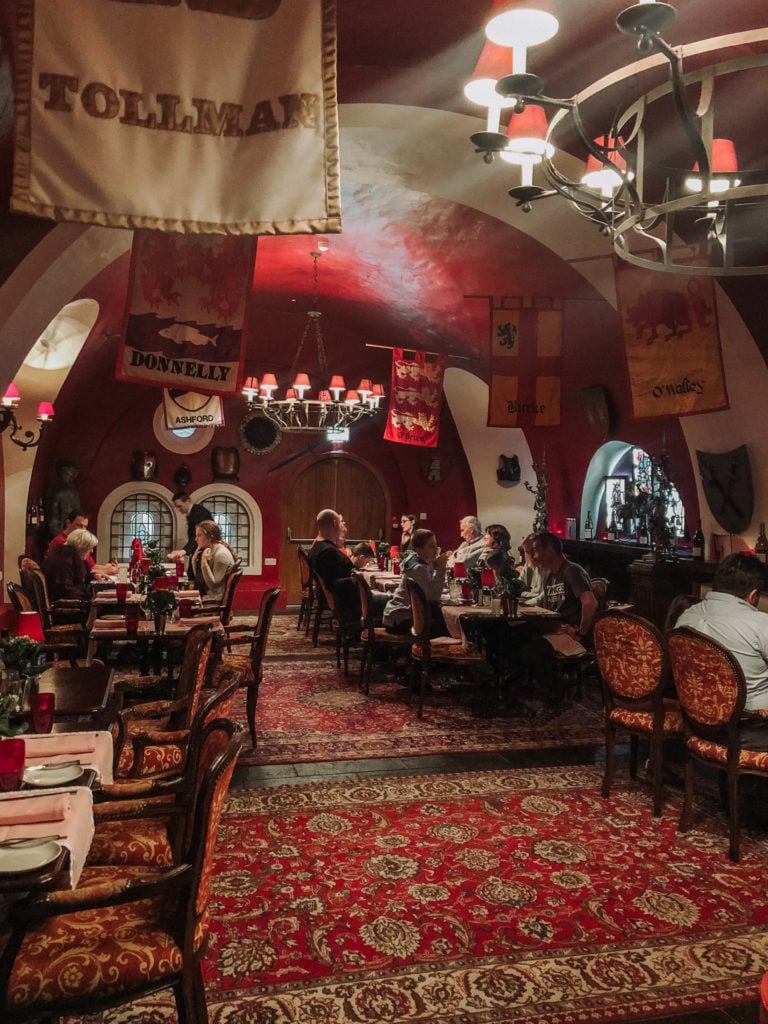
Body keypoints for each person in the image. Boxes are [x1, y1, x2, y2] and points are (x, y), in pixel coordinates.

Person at [676, 553, 768, 745]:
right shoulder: (760, 624)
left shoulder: (686, 616)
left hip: (697, 722)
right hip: (750, 729)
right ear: (752, 595)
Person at [383, 528, 449, 636]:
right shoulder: (418, 568)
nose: (436, 550)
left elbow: (428, 586)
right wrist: (441, 569)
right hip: (399, 619)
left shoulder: (415, 559)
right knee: (447, 626)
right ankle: (429, 651)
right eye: (431, 546)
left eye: (436, 546)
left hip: (395, 614)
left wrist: (433, 565)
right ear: (419, 550)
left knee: (440, 617)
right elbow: (433, 597)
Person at [308, 508, 360, 638]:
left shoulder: (316, 548)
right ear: (334, 524)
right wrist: (355, 579)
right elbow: (332, 583)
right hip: (349, 602)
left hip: (343, 598)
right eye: (340, 523)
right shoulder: (328, 551)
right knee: (390, 603)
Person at [48, 510, 118, 579]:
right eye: (79, 526)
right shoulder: (63, 543)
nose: (83, 530)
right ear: (68, 523)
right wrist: (106, 571)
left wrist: (109, 568)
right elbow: (80, 570)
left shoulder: (81, 542)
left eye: (85, 526)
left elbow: (90, 566)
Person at [42, 527, 98, 601]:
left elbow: (79, 577)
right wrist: (90, 597)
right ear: (80, 547)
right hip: (60, 603)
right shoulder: (64, 560)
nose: (91, 551)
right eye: (89, 548)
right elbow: (65, 589)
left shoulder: (72, 556)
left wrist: (94, 576)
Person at [169, 491, 214, 578]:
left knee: (195, 579)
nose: (178, 510)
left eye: (179, 506)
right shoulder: (192, 512)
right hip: (198, 550)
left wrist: (183, 551)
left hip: (205, 551)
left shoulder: (197, 512)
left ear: (187, 501)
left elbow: (197, 536)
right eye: (176, 507)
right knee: (190, 576)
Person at [190, 520, 236, 602]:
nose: (196, 539)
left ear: (210, 536)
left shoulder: (221, 554)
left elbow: (213, 585)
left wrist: (204, 563)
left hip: (214, 599)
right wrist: (194, 561)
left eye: (199, 535)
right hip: (206, 594)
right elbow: (199, 578)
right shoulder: (211, 550)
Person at [517, 533, 545, 606]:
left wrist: (525, 602)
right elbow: (518, 588)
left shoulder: (548, 567)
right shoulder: (528, 565)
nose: (532, 556)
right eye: (527, 552)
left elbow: (542, 597)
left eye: (534, 551)